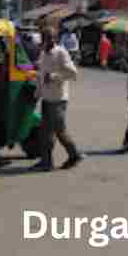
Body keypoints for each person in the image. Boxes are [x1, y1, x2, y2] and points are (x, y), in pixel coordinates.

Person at [31, 27, 81, 171]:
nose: (49, 40)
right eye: (46, 38)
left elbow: (73, 73)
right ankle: (46, 161)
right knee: (45, 132)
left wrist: (53, 76)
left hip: (58, 99)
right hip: (47, 98)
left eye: (52, 37)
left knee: (59, 130)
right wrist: (37, 93)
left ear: (56, 38)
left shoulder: (61, 52)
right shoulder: (43, 54)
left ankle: (74, 155)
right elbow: (41, 76)